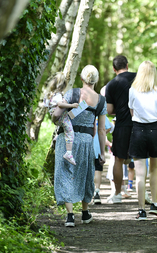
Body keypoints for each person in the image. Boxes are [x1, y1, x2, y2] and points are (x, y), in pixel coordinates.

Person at [52, 65, 107, 227]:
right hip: (86, 141)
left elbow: (56, 115)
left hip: (67, 139)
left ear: (82, 78)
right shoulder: (101, 101)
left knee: (64, 173)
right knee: (85, 174)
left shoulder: (72, 94)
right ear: (96, 81)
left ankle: (70, 216)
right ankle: (84, 213)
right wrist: (102, 153)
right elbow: (102, 129)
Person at [106, 55, 151, 203]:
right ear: (127, 64)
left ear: (114, 69)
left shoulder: (111, 85)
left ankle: (118, 194)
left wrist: (120, 109)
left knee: (118, 159)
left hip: (122, 125)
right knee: (140, 159)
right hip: (140, 123)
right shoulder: (139, 78)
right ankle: (143, 194)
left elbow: (110, 109)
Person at [128, 60, 157, 220]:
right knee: (154, 170)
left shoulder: (132, 91)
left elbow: (132, 113)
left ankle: (141, 210)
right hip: (155, 131)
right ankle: (155, 204)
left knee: (139, 174)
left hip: (138, 131)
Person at [44, 72, 79, 165]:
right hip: (60, 117)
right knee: (70, 132)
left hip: (56, 117)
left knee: (66, 123)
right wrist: (72, 105)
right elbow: (60, 105)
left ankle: (56, 136)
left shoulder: (50, 95)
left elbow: (46, 105)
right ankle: (69, 153)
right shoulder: (58, 95)